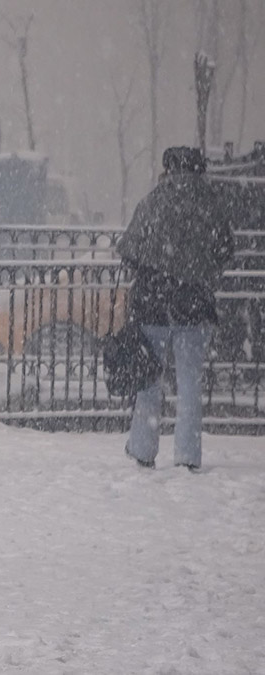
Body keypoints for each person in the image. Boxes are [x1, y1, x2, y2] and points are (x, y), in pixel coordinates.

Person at [117, 146, 234, 472]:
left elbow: (128, 249)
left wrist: (155, 269)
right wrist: (202, 274)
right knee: (190, 385)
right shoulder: (211, 205)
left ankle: (142, 448)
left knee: (149, 380)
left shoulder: (153, 202)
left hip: (153, 305)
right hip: (194, 308)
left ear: (169, 170)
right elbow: (226, 248)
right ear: (199, 170)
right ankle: (187, 455)